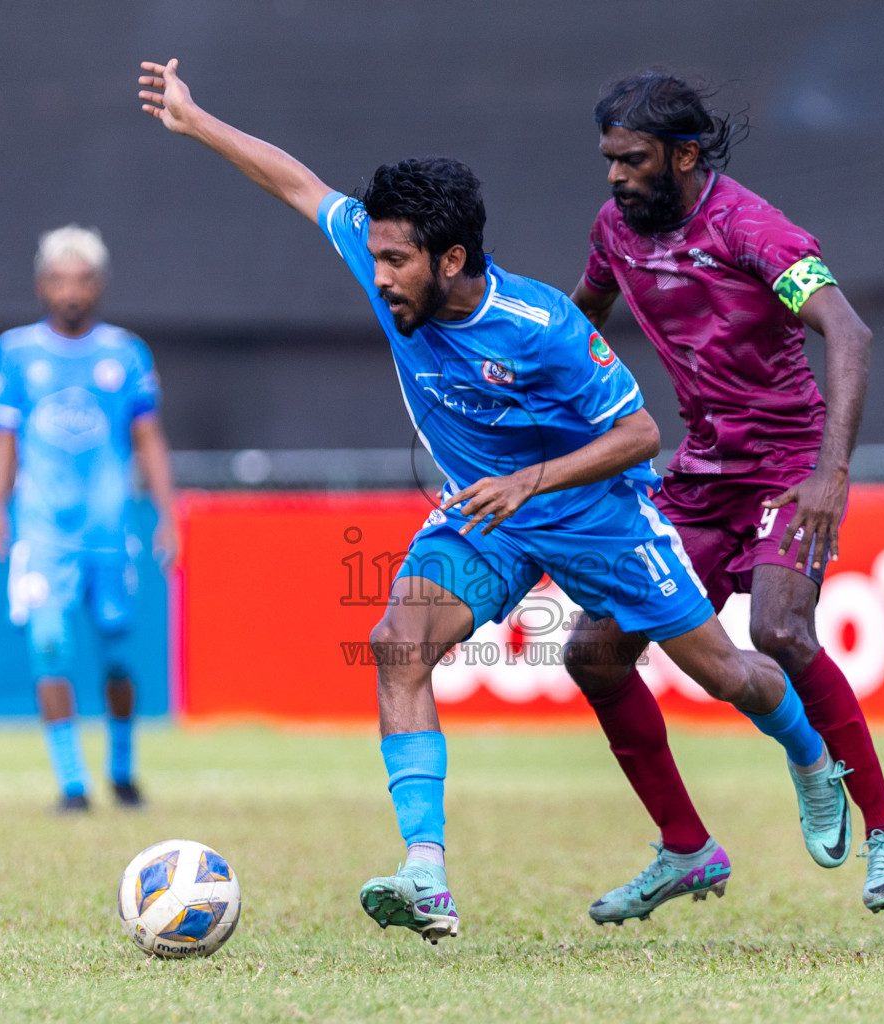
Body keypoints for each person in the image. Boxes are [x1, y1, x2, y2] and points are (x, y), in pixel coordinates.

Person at [139, 58, 840, 942]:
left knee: (728, 674)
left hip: (595, 513)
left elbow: (639, 438)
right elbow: (295, 182)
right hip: (485, 517)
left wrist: (529, 481)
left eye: (398, 261)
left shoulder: (542, 326)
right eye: (377, 254)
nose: (381, 275)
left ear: (453, 258)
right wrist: (197, 120)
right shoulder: (377, 251)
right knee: (397, 643)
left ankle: (810, 756)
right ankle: (426, 873)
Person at [562, 71, 884, 917]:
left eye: (632, 159)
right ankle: (685, 848)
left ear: (685, 155)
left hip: (788, 467)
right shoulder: (616, 230)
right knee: (591, 652)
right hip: (697, 474)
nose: (614, 176)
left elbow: (850, 330)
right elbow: (578, 322)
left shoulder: (751, 229)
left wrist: (830, 474)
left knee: (779, 628)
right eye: (608, 159)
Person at [0, 225, 178, 813]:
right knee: (48, 643)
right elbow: (4, 441)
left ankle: (121, 770)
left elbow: (149, 440)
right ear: (42, 284)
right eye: (59, 278)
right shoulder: (17, 351)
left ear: (100, 285)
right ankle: (72, 783)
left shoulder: (125, 352)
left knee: (117, 655)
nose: (71, 290)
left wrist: (167, 514)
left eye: (82, 279)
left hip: (110, 531)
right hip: (43, 533)